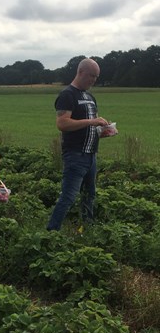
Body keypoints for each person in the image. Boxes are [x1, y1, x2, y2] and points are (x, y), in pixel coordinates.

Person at [47, 58, 109, 231]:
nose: (93, 80)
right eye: (91, 76)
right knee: (69, 196)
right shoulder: (67, 95)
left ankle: (87, 230)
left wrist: (102, 130)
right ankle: (52, 231)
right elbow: (62, 123)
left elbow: (91, 125)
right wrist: (91, 122)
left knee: (89, 195)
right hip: (76, 155)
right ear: (80, 72)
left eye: (96, 77)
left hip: (91, 155)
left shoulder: (90, 97)